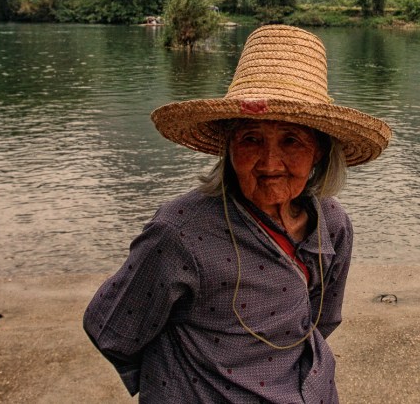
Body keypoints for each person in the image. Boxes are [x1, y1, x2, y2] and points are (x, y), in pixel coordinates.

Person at [84, 24, 392, 403]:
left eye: (291, 140)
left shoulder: (332, 225)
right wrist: (181, 381)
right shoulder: (179, 232)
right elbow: (113, 328)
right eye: (251, 139)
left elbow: (320, 320)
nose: (269, 162)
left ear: (320, 154)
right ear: (228, 149)